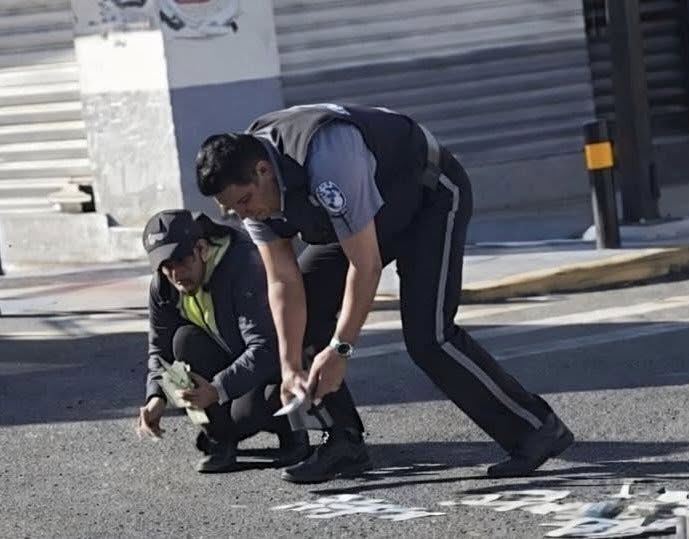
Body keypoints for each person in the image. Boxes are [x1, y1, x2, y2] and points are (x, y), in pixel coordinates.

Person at [194, 104, 574, 484]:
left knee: (429, 338)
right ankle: (343, 441)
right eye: (232, 210)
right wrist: (290, 365)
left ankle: (536, 429)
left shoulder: (328, 160)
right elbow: (282, 280)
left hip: (428, 199)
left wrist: (341, 349)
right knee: (303, 311)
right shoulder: (252, 195)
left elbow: (366, 265)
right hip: (362, 220)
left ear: (263, 171)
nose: (245, 215)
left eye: (245, 202)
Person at [138, 209, 309, 472]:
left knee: (253, 411)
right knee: (184, 341)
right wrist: (156, 397)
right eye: (167, 266)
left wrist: (217, 389)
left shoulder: (242, 264)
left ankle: (293, 433)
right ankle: (222, 441)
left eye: (182, 260)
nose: (176, 273)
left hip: (274, 366)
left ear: (202, 249)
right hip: (228, 362)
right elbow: (159, 350)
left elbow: (266, 348)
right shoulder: (163, 286)